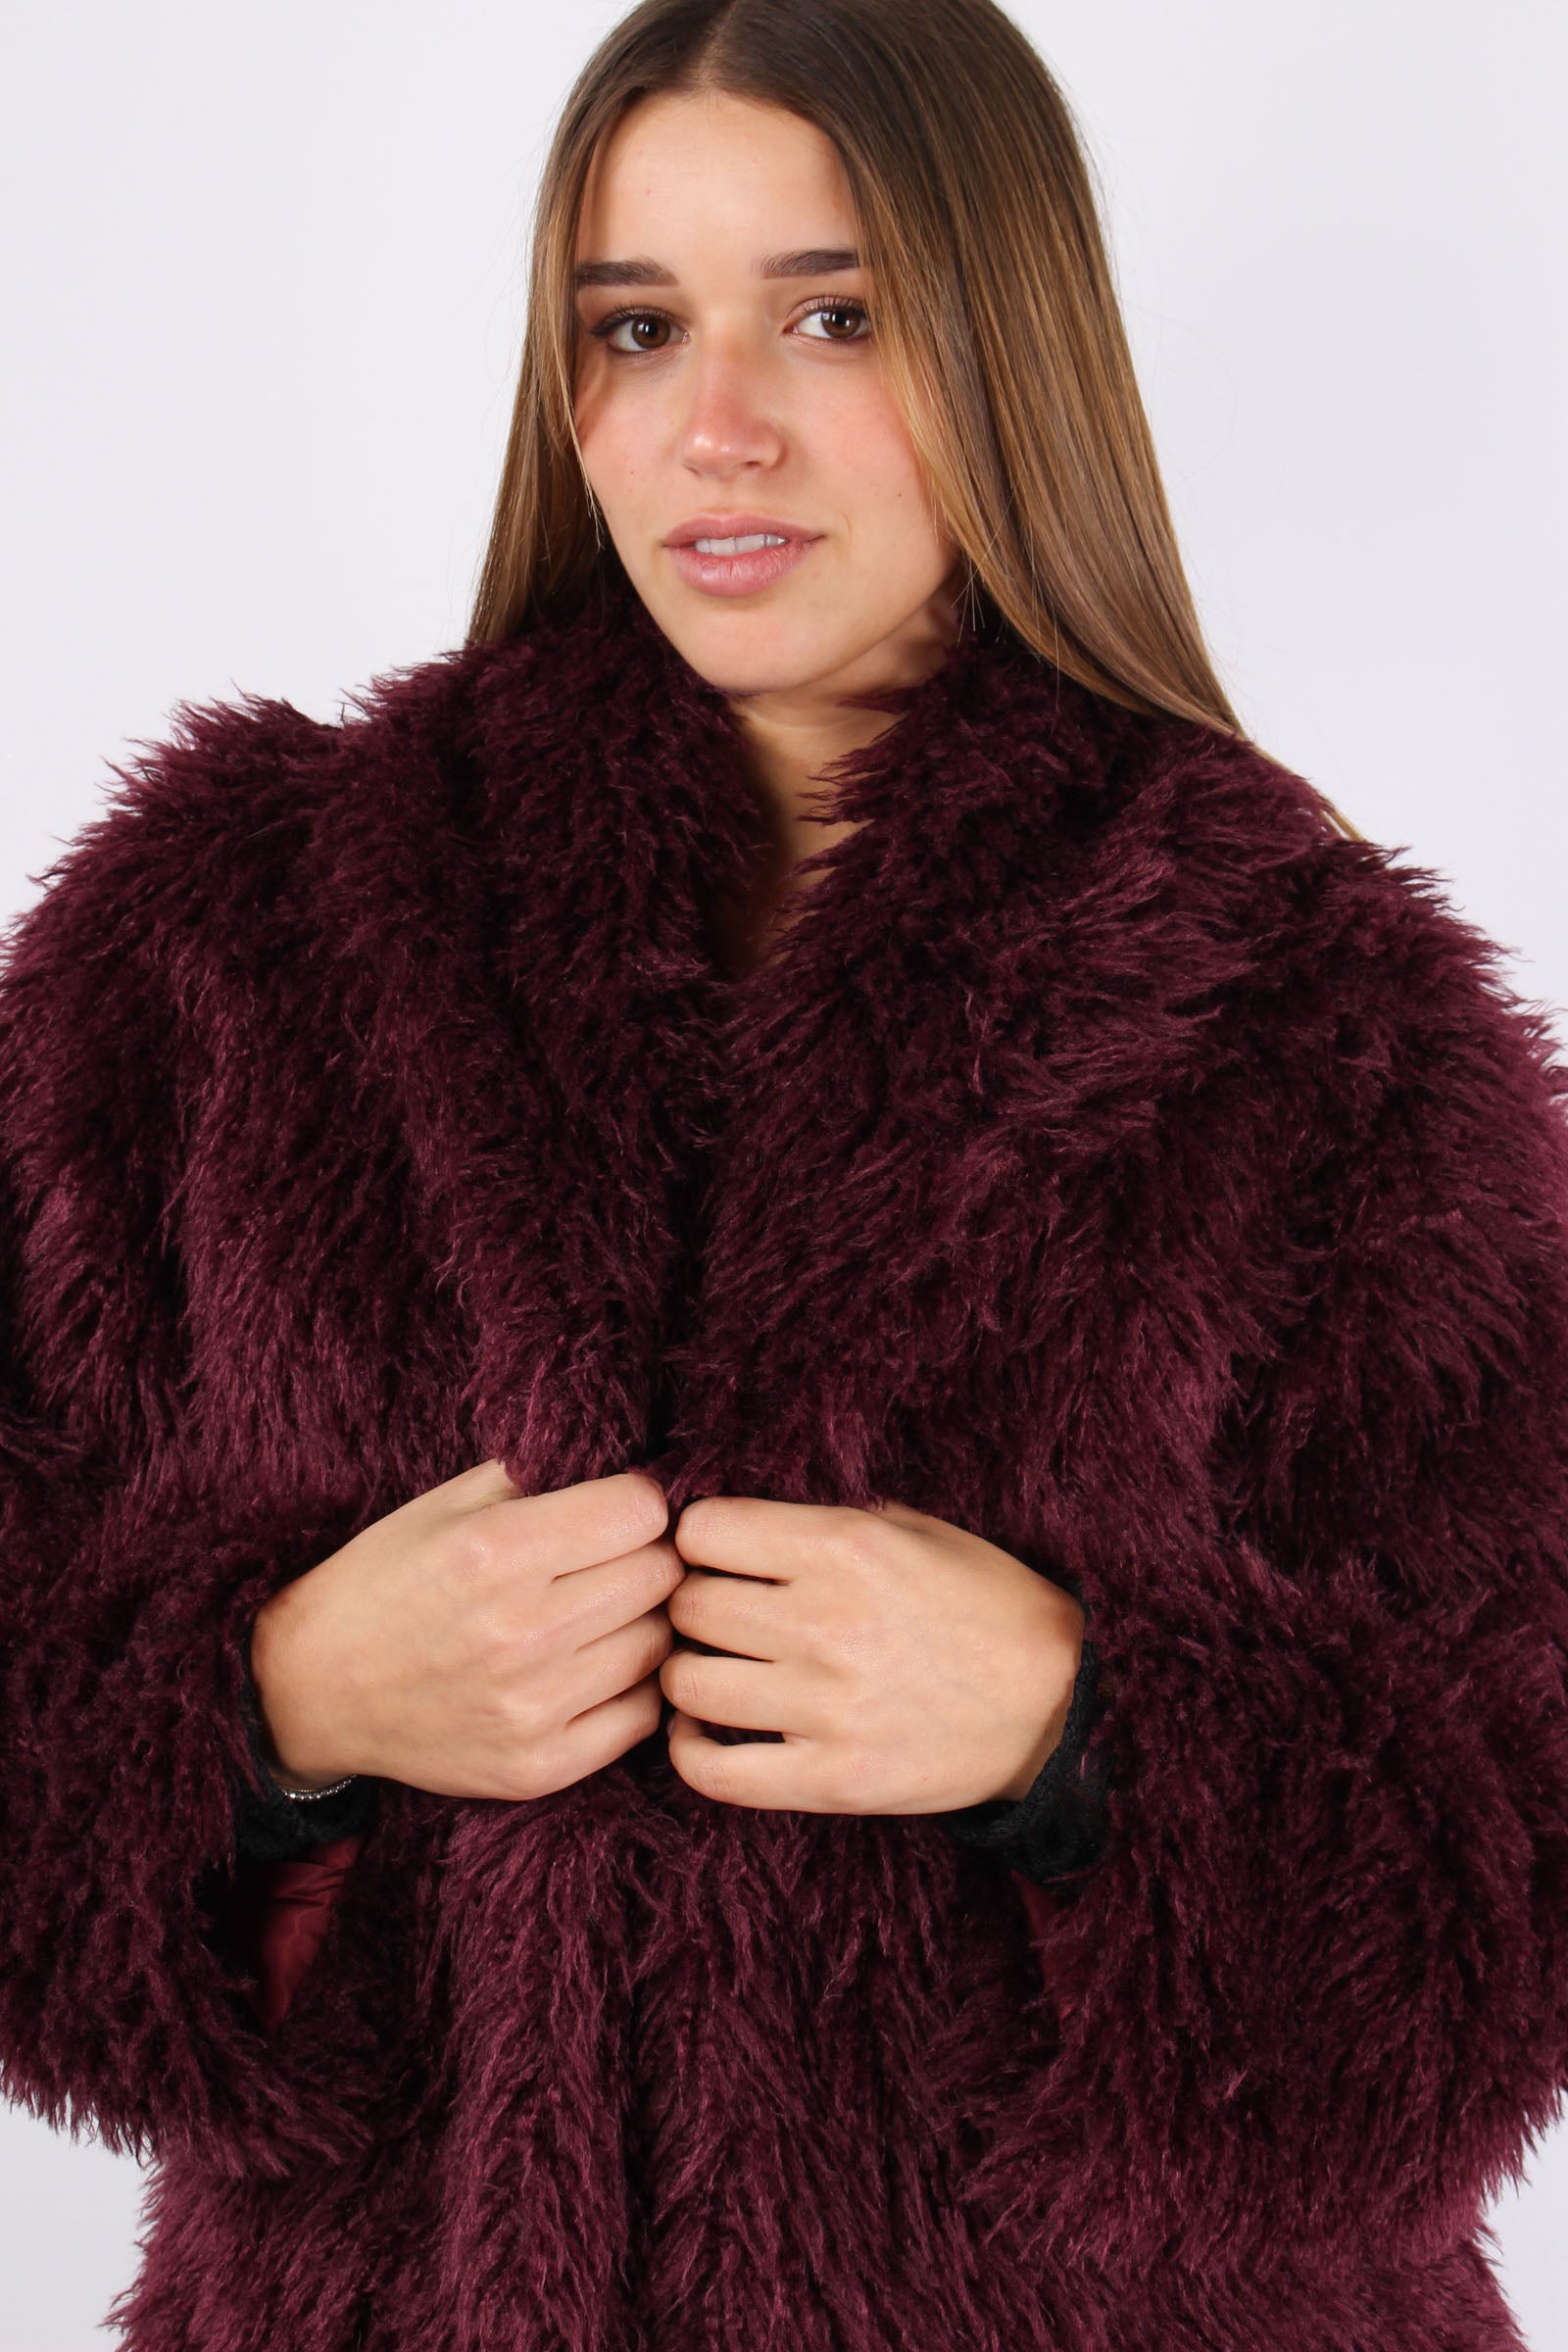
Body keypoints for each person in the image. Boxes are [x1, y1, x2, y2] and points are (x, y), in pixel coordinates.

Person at [2, 3, 1564, 2347]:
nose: (712, 424)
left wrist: (1073, 1730)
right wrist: (278, 1695)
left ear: (1008, 353)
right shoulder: (231, 949)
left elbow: (1513, 1874)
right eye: (634, 328)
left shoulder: (1313, 1011)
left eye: (832, 317)